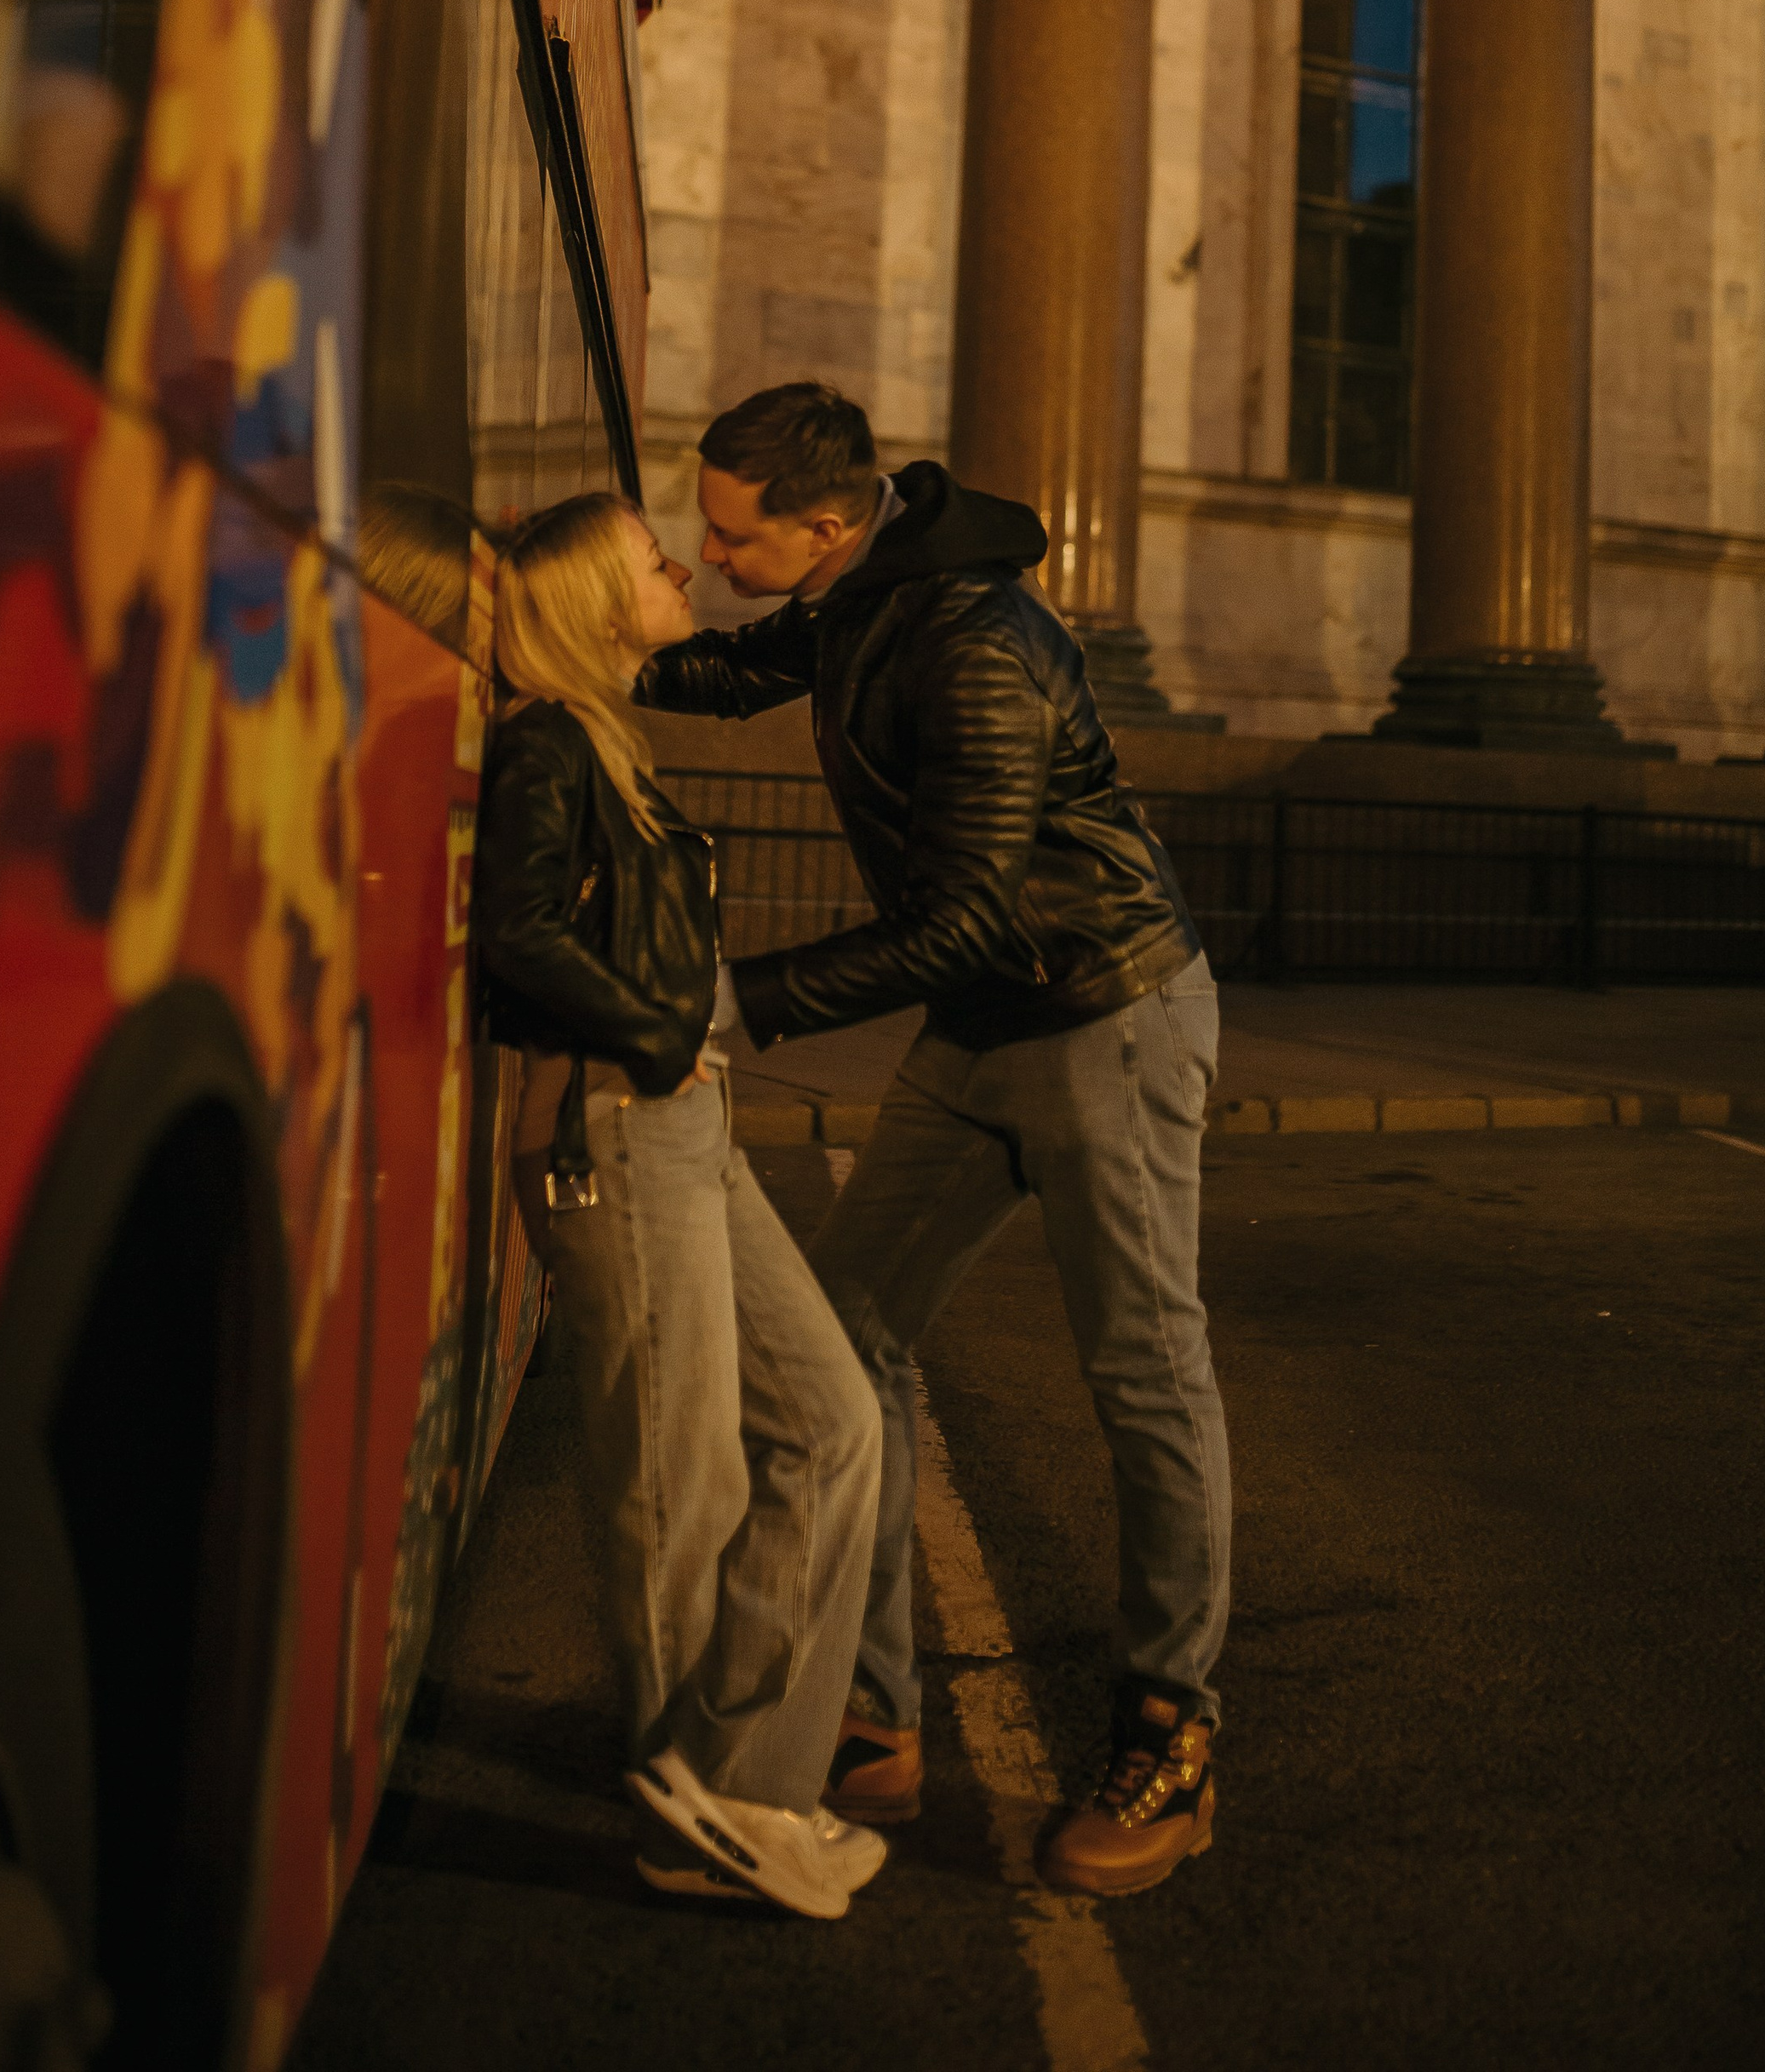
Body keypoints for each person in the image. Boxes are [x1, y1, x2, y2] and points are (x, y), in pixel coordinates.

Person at [642, 383, 1230, 1899]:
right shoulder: (855, 597)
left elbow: (964, 915)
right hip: (984, 1023)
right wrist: (570, 630)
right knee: (842, 1340)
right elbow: (726, 671)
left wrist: (735, 1002)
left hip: (1104, 1013)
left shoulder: (972, 639)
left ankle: (1170, 1736)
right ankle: (873, 1713)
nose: (712, 560)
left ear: (826, 526)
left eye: (733, 538)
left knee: (1144, 1373)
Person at [473, 489, 886, 1921]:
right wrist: (657, 1035)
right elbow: (516, 932)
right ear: (598, 601)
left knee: (833, 1423)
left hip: (684, 1123)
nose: (681, 572)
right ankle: (694, 1810)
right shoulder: (545, 740)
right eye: (653, 561)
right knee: (681, 1484)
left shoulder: (603, 736)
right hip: (618, 1119)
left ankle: (742, 1778)